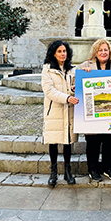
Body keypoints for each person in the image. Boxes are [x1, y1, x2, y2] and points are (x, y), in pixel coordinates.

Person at [79, 39, 111, 182]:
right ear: (95, 52)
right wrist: (82, 75)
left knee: (110, 140)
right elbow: (75, 83)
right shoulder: (85, 66)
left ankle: (108, 168)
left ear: (110, 52)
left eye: (106, 50)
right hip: (93, 112)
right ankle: (93, 169)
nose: (103, 52)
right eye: (100, 50)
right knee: (93, 142)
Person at [42, 40, 79, 187]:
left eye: (64, 51)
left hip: (69, 110)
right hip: (55, 110)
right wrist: (67, 97)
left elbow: (73, 87)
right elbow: (49, 91)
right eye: (59, 51)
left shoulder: (72, 70)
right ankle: (53, 172)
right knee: (53, 141)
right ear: (53, 53)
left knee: (68, 141)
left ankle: (68, 171)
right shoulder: (47, 70)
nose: (62, 54)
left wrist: (75, 89)